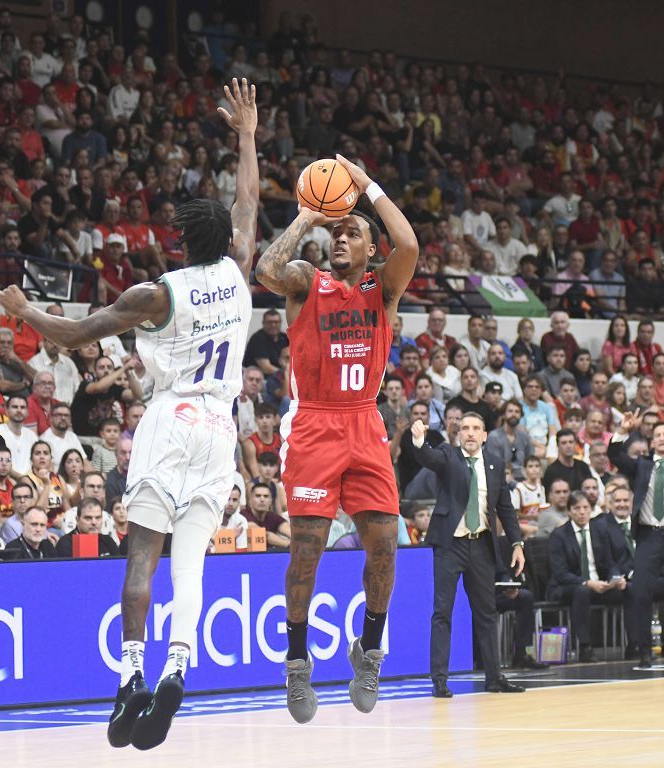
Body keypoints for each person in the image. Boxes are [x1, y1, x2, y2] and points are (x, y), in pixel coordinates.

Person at [0, 79, 258, 750]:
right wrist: (247, 135)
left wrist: (24, 312)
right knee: (193, 566)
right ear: (223, 238)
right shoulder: (238, 274)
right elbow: (250, 201)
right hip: (220, 430)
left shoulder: (155, 293)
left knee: (141, 557)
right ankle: (178, 668)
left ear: (179, 241)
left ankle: (131, 677)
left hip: (169, 422)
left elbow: (79, 336)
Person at [254, 148, 419, 720]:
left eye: (352, 234)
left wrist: (368, 186)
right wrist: (308, 214)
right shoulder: (307, 282)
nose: (342, 241)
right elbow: (265, 270)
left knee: (384, 547)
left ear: (371, 250)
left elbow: (412, 244)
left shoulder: (383, 290)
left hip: (364, 421)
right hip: (316, 424)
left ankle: (369, 650)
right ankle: (297, 666)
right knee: (306, 553)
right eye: (338, 234)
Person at [410, 415, 526, 698]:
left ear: (485, 435)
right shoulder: (448, 457)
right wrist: (418, 440)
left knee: (487, 613)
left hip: (482, 546)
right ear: (458, 434)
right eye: (465, 429)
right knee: (443, 613)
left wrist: (517, 543)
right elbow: (428, 458)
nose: (470, 433)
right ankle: (439, 680)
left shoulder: (496, 464)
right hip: (451, 545)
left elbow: (505, 509)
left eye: (476, 428)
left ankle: (494, 678)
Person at [608, 410, 664, 668]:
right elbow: (614, 455)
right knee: (641, 594)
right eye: (658, 435)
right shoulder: (642, 466)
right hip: (648, 536)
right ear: (651, 441)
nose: (662, 438)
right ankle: (644, 651)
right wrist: (622, 431)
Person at [547, 490, 632, 662]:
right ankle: (585, 647)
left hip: (599, 585)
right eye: (577, 508)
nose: (582, 512)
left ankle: (635, 644)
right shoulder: (559, 535)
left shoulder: (599, 530)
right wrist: (587, 582)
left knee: (629, 589)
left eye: (585, 507)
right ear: (569, 511)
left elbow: (609, 563)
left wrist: (616, 578)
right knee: (582, 591)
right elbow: (561, 574)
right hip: (567, 586)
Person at [55, 497, 120, 557]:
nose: (94, 522)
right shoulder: (65, 544)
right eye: (88, 518)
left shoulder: (108, 541)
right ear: (77, 519)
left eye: (98, 518)